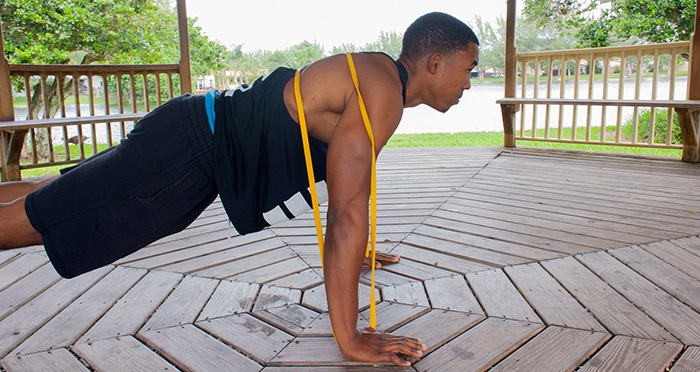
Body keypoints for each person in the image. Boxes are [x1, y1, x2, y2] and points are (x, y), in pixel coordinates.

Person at [0, 12, 479, 366]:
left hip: (189, 134)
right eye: (469, 70)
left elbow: (348, 184)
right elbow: (345, 215)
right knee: (47, 220)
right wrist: (349, 336)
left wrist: (360, 253)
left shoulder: (376, 77)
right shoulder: (383, 94)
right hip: (187, 154)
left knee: (54, 198)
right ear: (435, 62)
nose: (468, 84)